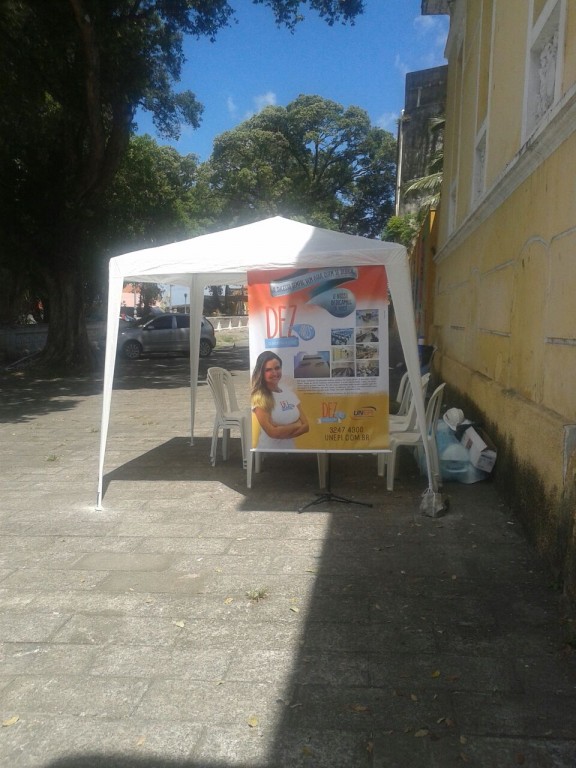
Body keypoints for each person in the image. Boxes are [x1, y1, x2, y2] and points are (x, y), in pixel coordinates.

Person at [251, 351, 309, 449]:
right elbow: (272, 432)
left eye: (277, 368)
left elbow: (306, 426)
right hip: (269, 453)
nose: (274, 373)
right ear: (261, 373)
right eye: (268, 370)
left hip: (291, 451)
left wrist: (281, 429)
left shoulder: (289, 393)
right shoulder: (259, 397)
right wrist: (297, 424)